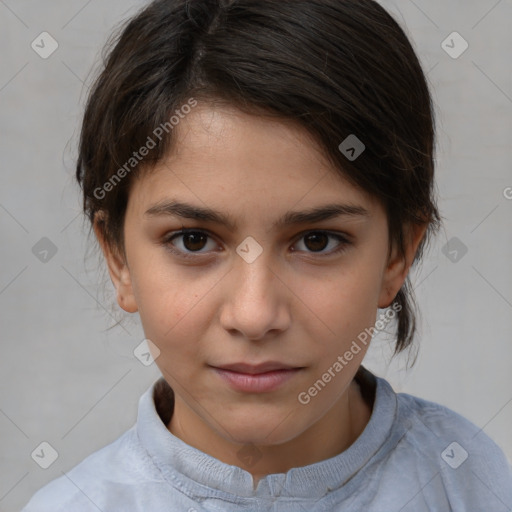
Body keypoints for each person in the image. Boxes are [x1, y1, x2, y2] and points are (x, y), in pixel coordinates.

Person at [21, 0, 512, 510]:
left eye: (317, 241)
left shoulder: (472, 482)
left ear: (397, 255)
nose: (255, 316)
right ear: (118, 258)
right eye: (193, 240)